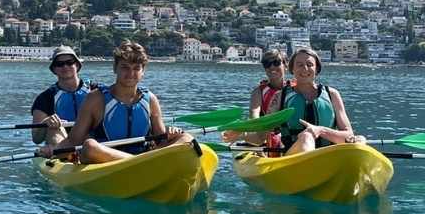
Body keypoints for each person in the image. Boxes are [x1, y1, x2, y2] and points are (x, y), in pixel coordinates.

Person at [43, 40, 194, 163]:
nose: (130, 74)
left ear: (143, 71)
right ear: (115, 68)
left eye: (136, 68)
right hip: (104, 160)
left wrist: (171, 133)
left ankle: (140, 163)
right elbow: (74, 140)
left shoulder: (151, 100)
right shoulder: (95, 99)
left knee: (187, 138)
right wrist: (53, 150)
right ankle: (141, 163)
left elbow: (160, 139)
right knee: (89, 146)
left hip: (144, 157)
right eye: (125, 68)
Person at [271, 47, 362, 155]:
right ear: (292, 69)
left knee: (360, 139)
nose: (305, 68)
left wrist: (320, 130)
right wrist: (247, 132)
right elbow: (261, 135)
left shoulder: (332, 94)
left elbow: (348, 136)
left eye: (309, 64)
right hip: (292, 158)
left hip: (328, 157)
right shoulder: (280, 96)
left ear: (317, 69)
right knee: (306, 136)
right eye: (299, 65)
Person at [222, 49, 290, 152]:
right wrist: (256, 126)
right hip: (263, 131)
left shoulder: (294, 89)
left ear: (285, 65)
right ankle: (242, 134)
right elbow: (254, 114)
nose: (272, 67)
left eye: (276, 62)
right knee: (263, 134)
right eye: (267, 64)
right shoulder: (258, 91)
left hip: (287, 131)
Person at [30, 46, 98, 147]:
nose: (65, 67)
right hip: (62, 146)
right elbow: (36, 138)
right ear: (54, 69)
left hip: (91, 144)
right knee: (53, 130)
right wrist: (45, 123)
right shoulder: (45, 98)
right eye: (59, 64)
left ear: (77, 65)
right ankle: (65, 156)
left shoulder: (96, 90)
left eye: (69, 62)